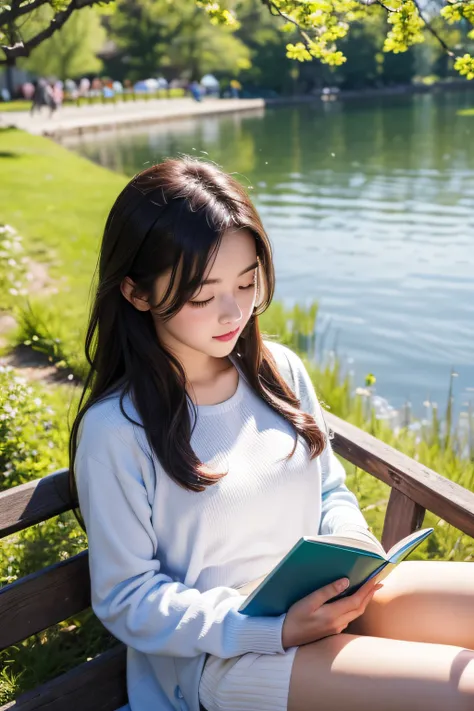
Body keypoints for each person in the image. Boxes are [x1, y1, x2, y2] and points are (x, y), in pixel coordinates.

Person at [70, 156, 474, 711]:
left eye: (246, 281)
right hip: (222, 657)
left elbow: (329, 490)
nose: (232, 312)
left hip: (324, 598)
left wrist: (353, 548)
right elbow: (126, 598)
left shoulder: (276, 370)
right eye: (201, 296)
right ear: (137, 294)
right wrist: (272, 628)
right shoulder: (117, 430)